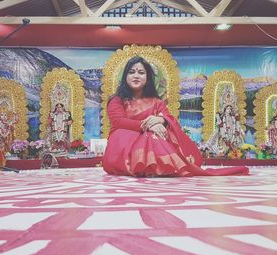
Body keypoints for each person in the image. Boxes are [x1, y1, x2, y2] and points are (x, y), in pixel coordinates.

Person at [102, 56, 248, 176]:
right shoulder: (117, 100)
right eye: (131, 72)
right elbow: (119, 122)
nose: (136, 75)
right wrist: (149, 125)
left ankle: (159, 166)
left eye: (141, 72)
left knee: (159, 133)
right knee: (123, 133)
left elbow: (170, 119)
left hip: (151, 138)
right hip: (124, 144)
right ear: (125, 76)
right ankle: (143, 166)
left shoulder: (156, 102)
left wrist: (160, 120)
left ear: (148, 78)